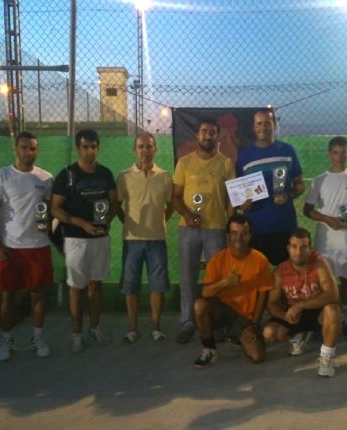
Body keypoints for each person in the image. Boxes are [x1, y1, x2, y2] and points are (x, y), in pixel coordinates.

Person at [0, 131, 54, 361]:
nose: (29, 152)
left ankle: (37, 338)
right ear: (16, 149)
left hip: (39, 245)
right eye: (24, 148)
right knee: (8, 297)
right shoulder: (0, 176)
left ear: (37, 151)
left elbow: (48, 211)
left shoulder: (46, 179)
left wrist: (48, 224)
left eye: (33, 148)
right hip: (10, 247)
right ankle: (6, 340)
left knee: (38, 294)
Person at [51, 129, 117, 353]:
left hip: (100, 238)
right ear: (78, 148)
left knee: (96, 285)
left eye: (94, 146)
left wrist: (107, 221)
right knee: (76, 288)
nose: (91, 150)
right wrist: (81, 224)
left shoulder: (106, 174)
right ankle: (77, 333)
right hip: (76, 239)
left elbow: (114, 203)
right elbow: (55, 208)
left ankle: (95, 327)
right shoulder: (67, 175)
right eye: (86, 146)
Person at [172, 117, 235, 344]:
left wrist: (233, 219)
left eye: (212, 132)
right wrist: (188, 215)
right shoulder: (184, 163)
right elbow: (176, 197)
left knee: (216, 279)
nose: (208, 136)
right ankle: (187, 322)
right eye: (204, 131)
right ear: (197, 135)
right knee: (187, 276)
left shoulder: (226, 164)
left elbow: (232, 199)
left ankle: (216, 322)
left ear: (218, 137)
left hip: (216, 228)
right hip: (188, 228)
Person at [304, 136, 347, 341]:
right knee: (323, 282)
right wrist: (327, 219)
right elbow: (307, 210)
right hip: (326, 240)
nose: (339, 156)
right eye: (335, 152)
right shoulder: (319, 180)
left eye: (343, 152)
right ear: (329, 154)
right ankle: (321, 321)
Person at [193, 215, 274, 368]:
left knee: (258, 357)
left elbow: (264, 294)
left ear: (250, 235)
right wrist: (225, 282)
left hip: (244, 317)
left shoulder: (260, 260)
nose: (239, 237)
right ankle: (209, 348)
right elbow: (205, 293)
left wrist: (254, 324)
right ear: (228, 235)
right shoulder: (217, 259)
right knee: (199, 305)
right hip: (222, 309)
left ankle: (237, 335)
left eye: (243, 233)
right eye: (234, 233)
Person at [116, 133, 174, 344]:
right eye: (140, 147)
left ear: (155, 149)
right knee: (131, 286)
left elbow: (172, 205)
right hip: (131, 241)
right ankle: (132, 329)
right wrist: (128, 223)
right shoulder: (124, 177)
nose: (145, 151)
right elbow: (116, 206)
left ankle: (156, 328)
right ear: (135, 150)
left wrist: (161, 221)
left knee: (157, 286)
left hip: (157, 240)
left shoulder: (165, 176)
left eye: (149, 146)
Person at [262, 229, 341, 377]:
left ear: (310, 249)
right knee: (269, 333)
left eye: (303, 247)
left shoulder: (319, 264)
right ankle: (300, 334)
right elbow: (271, 304)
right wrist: (285, 316)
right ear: (288, 248)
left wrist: (300, 305)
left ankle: (327, 357)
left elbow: (333, 295)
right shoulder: (280, 271)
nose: (298, 252)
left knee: (333, 311)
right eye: (294, 247)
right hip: (294, 314)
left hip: (316, 310)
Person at [236, 108, 305, 265]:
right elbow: (240, 195)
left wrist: (289, 195)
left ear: (274, 125)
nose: (263, 127)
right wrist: (243, 204)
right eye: (259, 123)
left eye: (267, 123)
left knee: (286, 277)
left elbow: (300, 185)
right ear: (254, 127)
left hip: (284, 225)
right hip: (256, 228)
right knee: (259, 277)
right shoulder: (244, 157)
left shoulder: (288, 151)